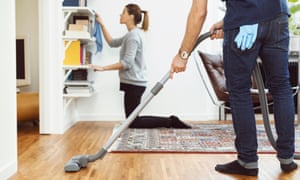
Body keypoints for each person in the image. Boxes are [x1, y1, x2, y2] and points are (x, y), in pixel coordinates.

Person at [171, 0, 298, 177]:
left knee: (239, 90)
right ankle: (287, 157)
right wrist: (229, 21)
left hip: (245, 19)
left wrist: (183, 54)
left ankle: (247, 161)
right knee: (281, 86)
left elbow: (199, 12)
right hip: (278, 16)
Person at [90, 4, 149, 118]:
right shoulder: (131, 34)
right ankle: (170, 121)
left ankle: (170, 121)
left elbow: (127, 63)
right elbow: (112, 43)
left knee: (132, 121)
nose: (120, 15)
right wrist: (101, 24)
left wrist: (102, 68)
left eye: (123, 12)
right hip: (133, 82)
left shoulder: (133, 36)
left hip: (134, 83)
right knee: (132, 120)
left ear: (131, 16)